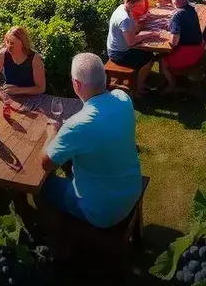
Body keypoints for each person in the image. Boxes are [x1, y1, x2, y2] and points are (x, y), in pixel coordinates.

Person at [40, 53, 142, 228]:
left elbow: (46, 164)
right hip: (130, 189)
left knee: (41, 186)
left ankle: (52, 234)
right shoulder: (123, 98)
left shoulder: (76, 126)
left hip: (102, 212)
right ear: (105, 78)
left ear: (76, 84)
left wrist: (52, 132)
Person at [107, 0, 158, 96]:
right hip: (119, 53)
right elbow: (131, 41)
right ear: (131, 2)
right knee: (149, 58)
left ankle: (139, 82)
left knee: (147, 54)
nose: (139, 8)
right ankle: (138, 89)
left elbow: (133, 30)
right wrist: (149, 34)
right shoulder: (124, 17)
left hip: (119, 48)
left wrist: (142, 24)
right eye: (138, 6)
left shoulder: (124, 9)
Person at [160, 0, 206, 94]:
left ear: (176, 0)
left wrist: (166, 36)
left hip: (188, 54)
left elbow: (174, 42)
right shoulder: (191, 10)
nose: (172, 1)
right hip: (199, 49)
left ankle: (171, 85)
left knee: (162, 59)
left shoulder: (178, 15)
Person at [0, 26, 46, 96]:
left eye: (12, 43)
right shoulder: (3, 54)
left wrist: (17, 90)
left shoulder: (34, 58)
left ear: (22, 43)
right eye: (7, 42)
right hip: (10, 96)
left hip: (32, 99)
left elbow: (41, 88)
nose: (8, 46)